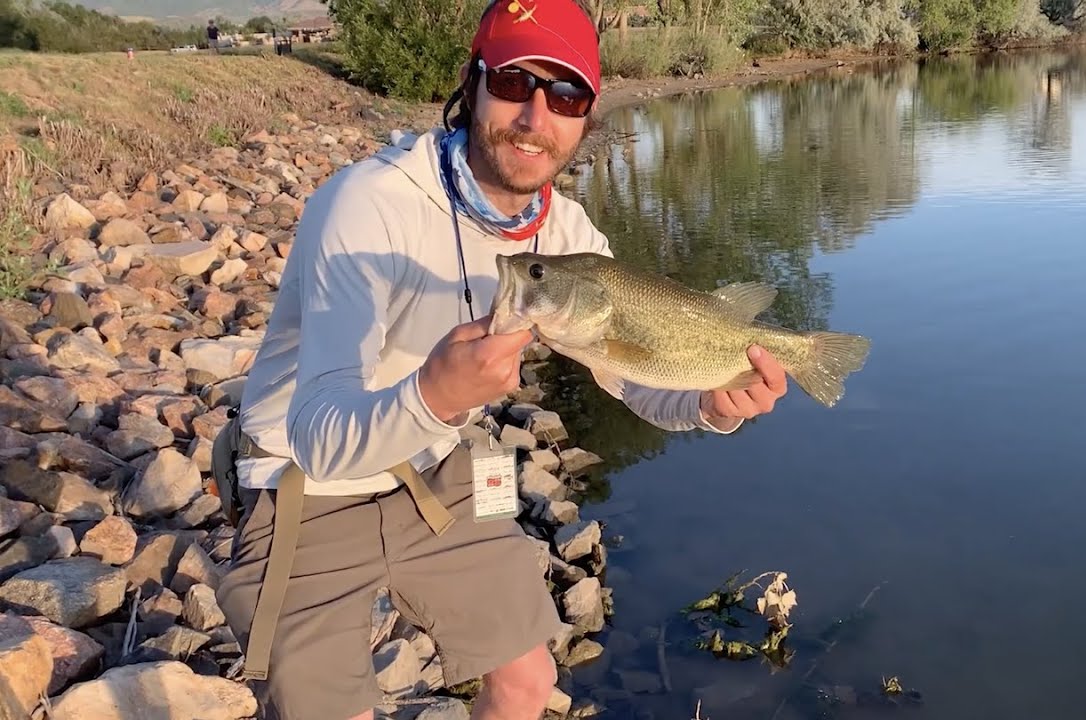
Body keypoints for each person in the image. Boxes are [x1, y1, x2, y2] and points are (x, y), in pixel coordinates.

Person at [212, 1, 788, 719]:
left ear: (586, 115)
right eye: (515, 83)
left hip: (433, 467)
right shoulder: (368, 205)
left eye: (566, 95)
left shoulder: (566, 235)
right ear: (472, 85)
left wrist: (707, 403)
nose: (535, 116)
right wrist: (434, 395)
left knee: (526, 683)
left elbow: (631, 371)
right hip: (299, 480)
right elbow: (321, 437)